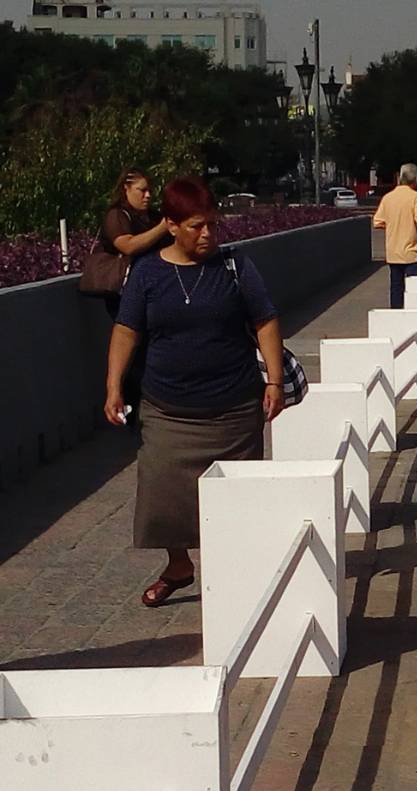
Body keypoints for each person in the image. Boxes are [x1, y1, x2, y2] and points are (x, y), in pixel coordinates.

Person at [104, 176, 286, 607]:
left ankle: (239, 575)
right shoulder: (147, 273)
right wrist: (113, 385)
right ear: (170, 224)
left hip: (234, 408)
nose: (207, 235)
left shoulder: (235, 266)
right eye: (195, 226)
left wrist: (274, 381)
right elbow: (127, 330)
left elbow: (265, 320)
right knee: (164, 496)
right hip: (168, 409)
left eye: (212, 225)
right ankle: (179, 565)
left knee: (236, 503)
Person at [99, 167, 171, 319]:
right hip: (127, 293)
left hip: (158, 288)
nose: (148, 196)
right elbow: (128, 246)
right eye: (142, 191)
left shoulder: (153, 216)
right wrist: (162, 227)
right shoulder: (117, 216)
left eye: (150, 191)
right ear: (126, 188)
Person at [372, 163, 417, 308]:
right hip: (411, 251)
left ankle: (396, 314)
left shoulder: (388, 197)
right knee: (413, 288)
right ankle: (414, 315)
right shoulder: (416, 197)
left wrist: (392, 225)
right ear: (415, 179)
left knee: (396, 288)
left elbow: (377, 222)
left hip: (393, 252)